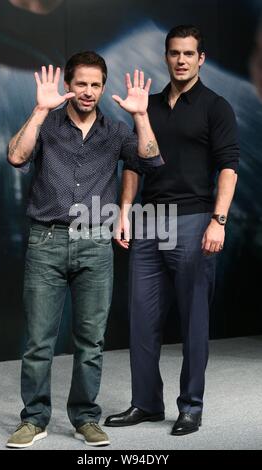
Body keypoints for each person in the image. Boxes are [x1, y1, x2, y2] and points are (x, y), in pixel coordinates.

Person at [6, 51, 163, 448]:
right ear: (69, 85)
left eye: (95, 85)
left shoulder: (115, 131)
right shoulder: (48, 124)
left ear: (103, 87)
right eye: (81, 84)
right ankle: (35, 419)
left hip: (95, 242)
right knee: (39, 340)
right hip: (47, 241)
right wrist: (40, 111)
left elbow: (151, 160)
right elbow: (16, 156)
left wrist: (142, 117)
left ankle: (85, 418)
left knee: (90, 340)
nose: (88, 92)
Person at [105, 25, 239, 435]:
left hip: (195, 219)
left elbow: (229, 167)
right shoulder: (149, 106)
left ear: (200, 59)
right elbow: (133, 164)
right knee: (142, 320)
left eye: (188, 54)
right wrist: (125, 211)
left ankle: (190, 407)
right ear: (166, 57)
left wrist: (218, 220)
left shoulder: (216, 107)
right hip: (149, 222)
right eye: (174, 53)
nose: (180, 60)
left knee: (194, 320)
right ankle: (145, 403)